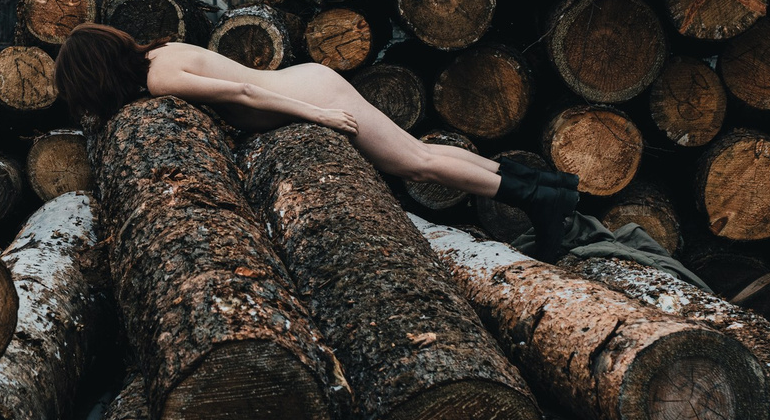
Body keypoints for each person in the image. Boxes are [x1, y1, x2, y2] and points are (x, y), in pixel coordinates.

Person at [53, 23, 584, 254]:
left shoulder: (157, 78)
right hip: (306, 86)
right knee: (417, 151)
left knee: (416, 163)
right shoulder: (157, 54)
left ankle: (539, 200)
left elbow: (242, 89)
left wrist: (316, 115)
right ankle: (547, 187)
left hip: (309, 93)